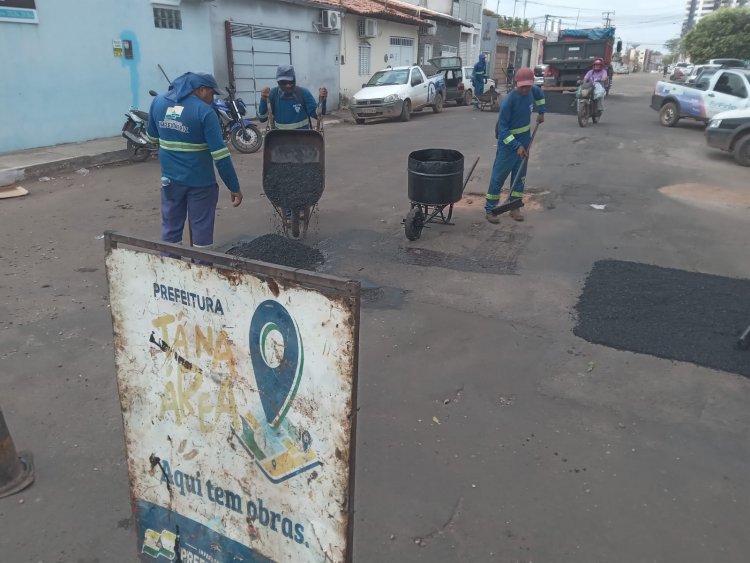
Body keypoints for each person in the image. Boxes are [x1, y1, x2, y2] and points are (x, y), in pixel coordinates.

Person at [146, 72, 242, 250]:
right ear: (201, 89)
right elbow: (221, 156)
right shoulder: (205, 112)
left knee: (170, 228)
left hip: (170, 180)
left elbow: (152, 138)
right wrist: (234, 186)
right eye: (212, 94)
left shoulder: (158, 102)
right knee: (201, 232)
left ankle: (169, 269)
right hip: (200, 182)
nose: (212, 99)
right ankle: (201, 271)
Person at [485, 67, 545, 224]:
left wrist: (542, 111)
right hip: (508, 144)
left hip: (525, 140)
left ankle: (515, 206)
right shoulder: (509, 101)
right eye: (522, 86)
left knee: (520, 176)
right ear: (517, 84)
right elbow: (503, 130)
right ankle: (490, 209)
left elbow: (540, 96)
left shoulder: (533, 91)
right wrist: (516, 145)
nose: (525, 89)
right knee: (498, 177)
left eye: (528, 86)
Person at [258, 65, 320, 130]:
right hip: (279, 138)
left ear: (294, 79)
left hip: (303, 137)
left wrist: (322, 102)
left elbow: (317, 115)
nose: (288, 85)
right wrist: (263, 99)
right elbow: (262, 118)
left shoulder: (303, 93)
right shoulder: (273, 94)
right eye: (284, 82)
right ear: (278, 82)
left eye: (290, 82)